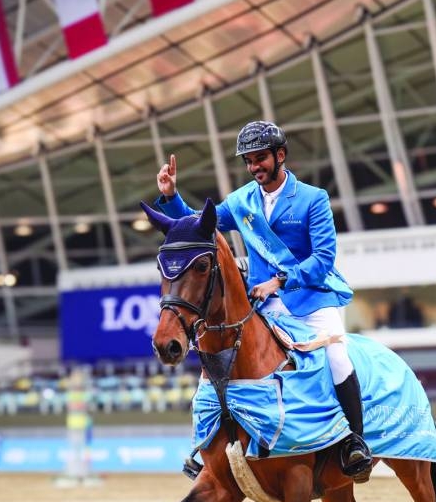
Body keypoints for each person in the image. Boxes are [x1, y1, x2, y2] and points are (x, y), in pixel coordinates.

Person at [155, 120, 372, 481]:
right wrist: (170, 196)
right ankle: (207, 441)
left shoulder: (312, 199)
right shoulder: (242, 201)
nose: (255, 166)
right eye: (249, 160)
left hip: (313, 299)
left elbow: (323, 260)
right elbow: (198, 225)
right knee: (216, 357)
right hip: (263, 303)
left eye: (260, 158)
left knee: (336, 356)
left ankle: (354, 441)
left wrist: (279, 280)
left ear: (280, 155)